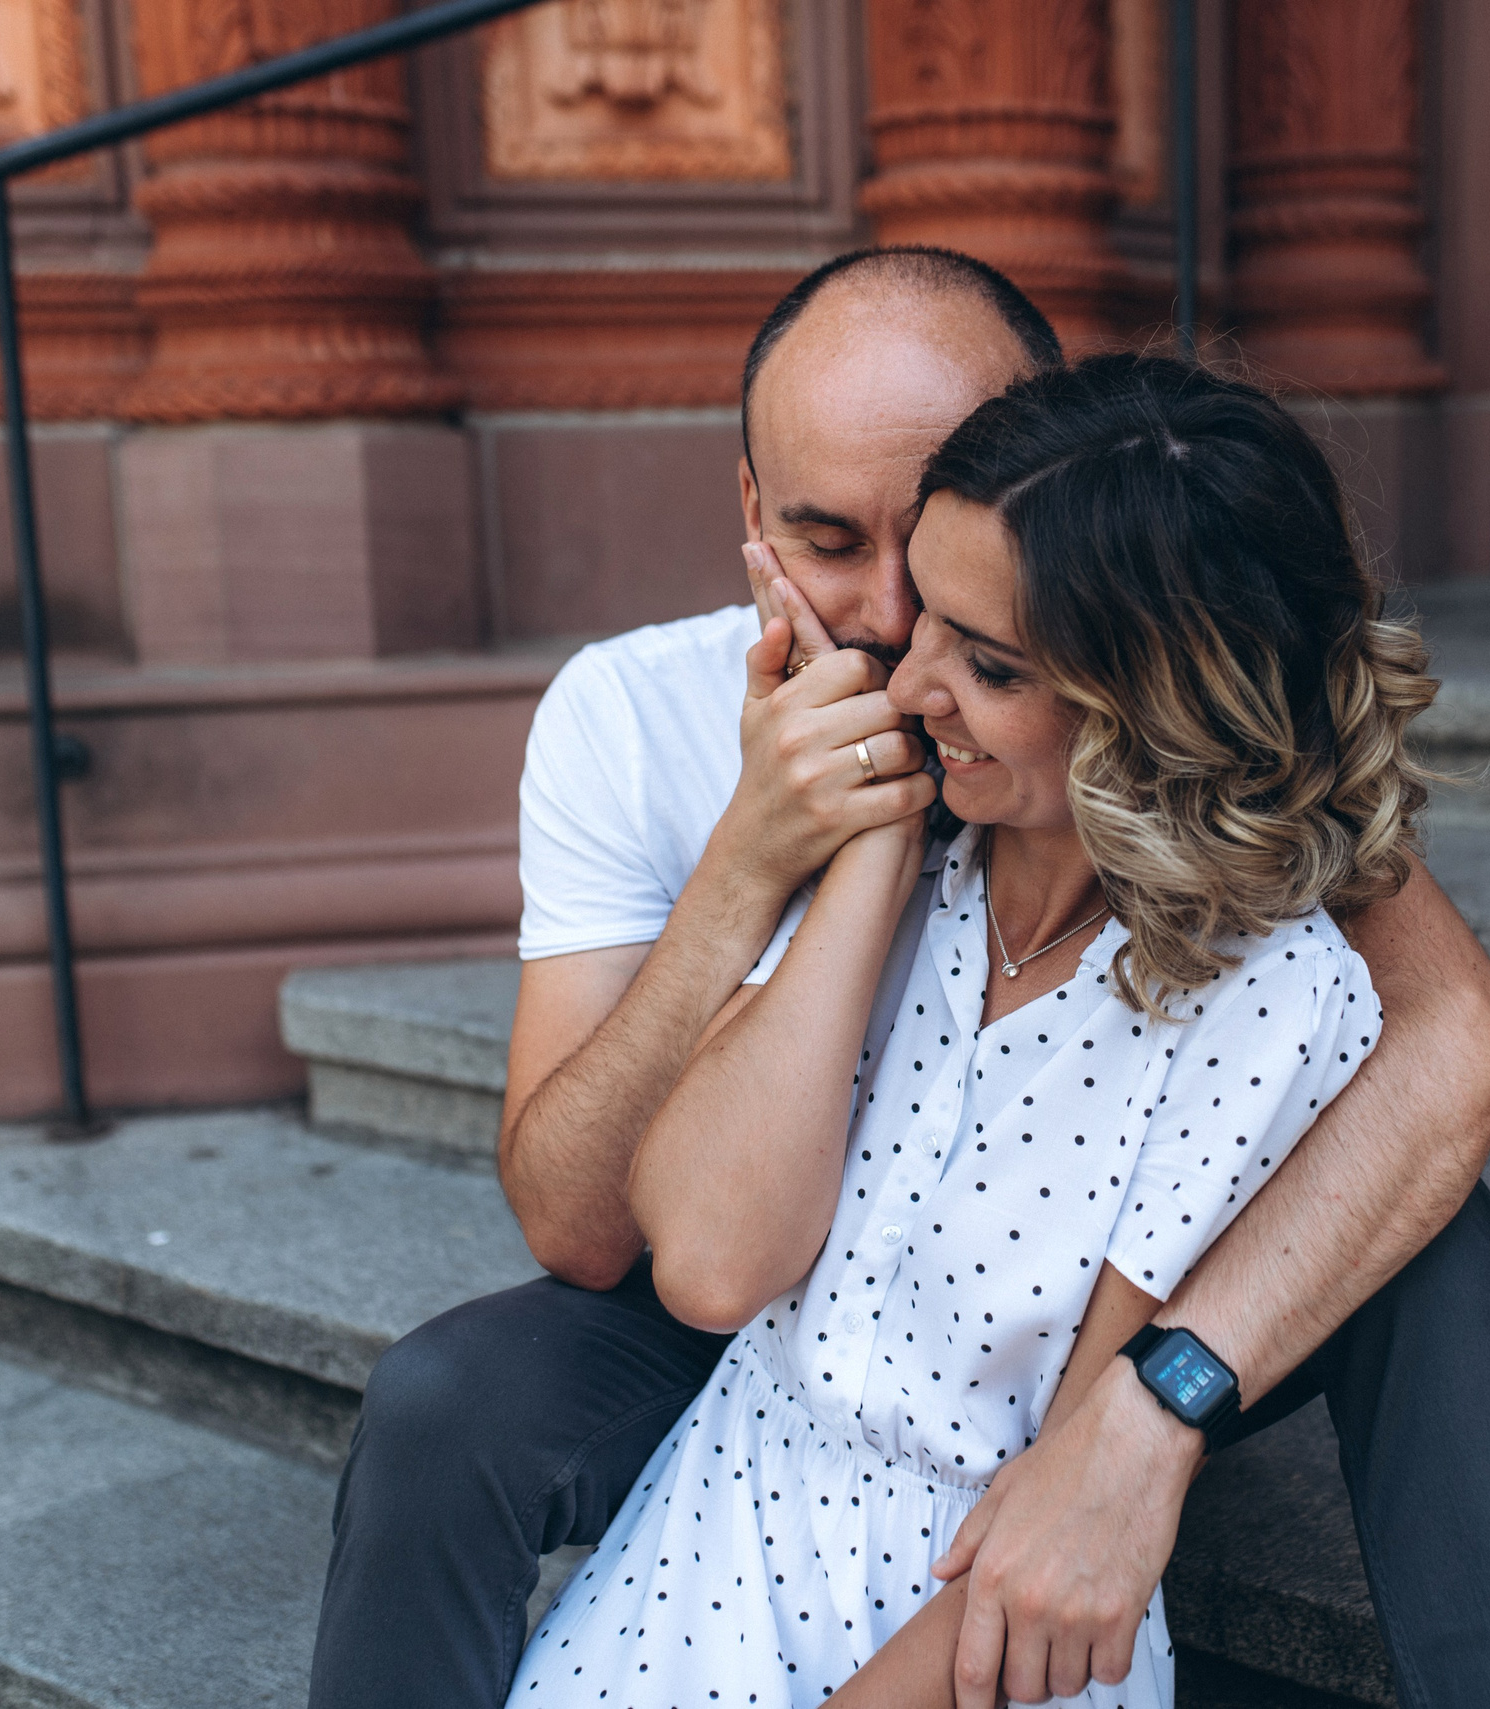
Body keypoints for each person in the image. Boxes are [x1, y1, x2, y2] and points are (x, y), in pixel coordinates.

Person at [307, 248, 1490, 1709]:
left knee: (1420, 1210)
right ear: (750, 512)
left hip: (1031, 1388)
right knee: (444, 1402)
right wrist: (764, 854)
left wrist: (1145, 1414)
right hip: (761, 1359)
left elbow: (1462, 1038)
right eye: (826, 541)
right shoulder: (648, 712)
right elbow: (598, 1228)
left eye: (930, 560)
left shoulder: (1127, 688)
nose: (884, 628)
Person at [507, 349, 1418, 1709]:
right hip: (706, 1553)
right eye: (925, 614)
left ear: (1149, 716)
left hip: (976, 1623)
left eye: (986, 663)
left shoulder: (1274, 998)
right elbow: (707, 1261)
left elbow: (1069, 1488)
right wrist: (868, 854)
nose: (909, 675)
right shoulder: (921, 854)